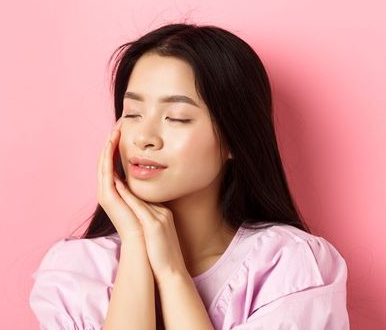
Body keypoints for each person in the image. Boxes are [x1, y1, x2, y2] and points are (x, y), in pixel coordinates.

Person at [28, 23, 349, 329]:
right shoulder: (77, 273)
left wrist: (172, 273)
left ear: (234, 139)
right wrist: (136, 248)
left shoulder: (288, 266)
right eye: (133, 114)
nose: (145, 138)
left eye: (176, 118)